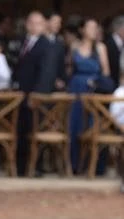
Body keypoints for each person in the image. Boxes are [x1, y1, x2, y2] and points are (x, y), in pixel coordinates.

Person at [13, 11, 57, 176]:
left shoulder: (47, 45)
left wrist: (38, 94)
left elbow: (47, 72)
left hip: (35, 96)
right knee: (21, 131)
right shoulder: (22, 42)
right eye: (31, 22)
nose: (34, 26)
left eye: (38, 23)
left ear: (44, 25)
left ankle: (34, 167)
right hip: (21, 93)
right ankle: (20, 167)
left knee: (34, 130)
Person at [66, 17, 111, 174]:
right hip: (76, 89)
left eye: (95, 27)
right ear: (82, 29)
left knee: (91, 125)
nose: (93, 30)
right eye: (90, 27)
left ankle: (91, 165)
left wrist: (97, 83)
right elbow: (69, 69)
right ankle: (74, 164)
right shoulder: (74, 46)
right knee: (74, 124)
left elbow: (106, 72)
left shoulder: (100, 48)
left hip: (93, 90)